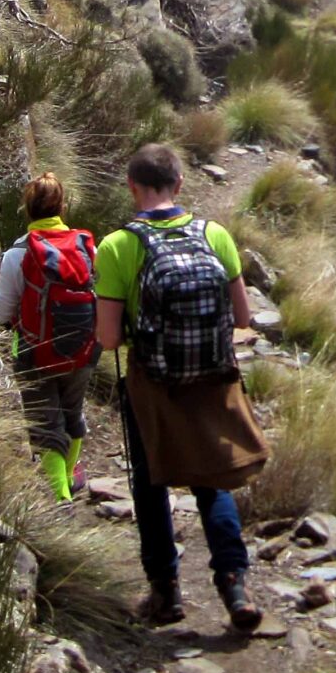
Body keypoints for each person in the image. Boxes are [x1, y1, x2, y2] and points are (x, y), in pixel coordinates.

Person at [95, 143, 265, 632]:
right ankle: (235, 586)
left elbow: (108, 337)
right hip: (211, 378)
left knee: (151, 483)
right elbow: (243, 318)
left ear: (132, 187)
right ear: (180, 184)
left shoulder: (117, 247)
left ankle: (165, 592)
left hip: (152, 383)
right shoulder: (215, 234)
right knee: (211, 481)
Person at [0, 173, 99, 502]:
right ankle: (69, 474)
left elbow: (2, 311)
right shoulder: (84, 247)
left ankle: (60, 498)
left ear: (26, 209)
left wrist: (9, 320)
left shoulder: (17, 255)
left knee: (44, 423)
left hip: (34, 350)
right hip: (83, 348)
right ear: (62, 206)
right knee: (72, 412)